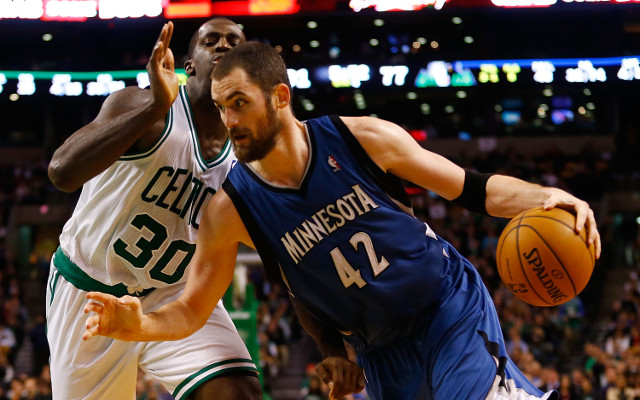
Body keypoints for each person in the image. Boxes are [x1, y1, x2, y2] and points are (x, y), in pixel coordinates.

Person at [82, 42, 602, 400]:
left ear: (280, 97)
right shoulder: (231, 208)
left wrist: (545, 196)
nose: (230, 121)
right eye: (221, 109)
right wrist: (141, 324)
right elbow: (192, 308)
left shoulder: (362, 138)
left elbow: (473, 188)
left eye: (239, 103)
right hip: (379, 351)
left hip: (447, 310)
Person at [46, 21, 263, 400]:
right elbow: (61, 172)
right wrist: (153, 107)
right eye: (210, 41)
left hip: (174, 294)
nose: (223, 46)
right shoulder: (141, 106)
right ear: (190, 65)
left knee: (237, 391)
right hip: (90, 292)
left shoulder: (249, 153)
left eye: (234, 42)